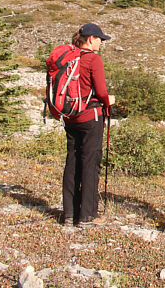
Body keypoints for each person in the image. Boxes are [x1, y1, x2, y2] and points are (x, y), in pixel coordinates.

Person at [62, 22, 114, 227]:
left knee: (72, 162)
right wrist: (109, 101)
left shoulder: (70, 58)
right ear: (91, 39)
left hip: (70, 116)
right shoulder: (93, 59)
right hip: (90, 117)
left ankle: (69, 214)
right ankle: (87, 216)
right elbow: (100, 91)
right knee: (90, 163)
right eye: (100, 39)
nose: (101, 42)